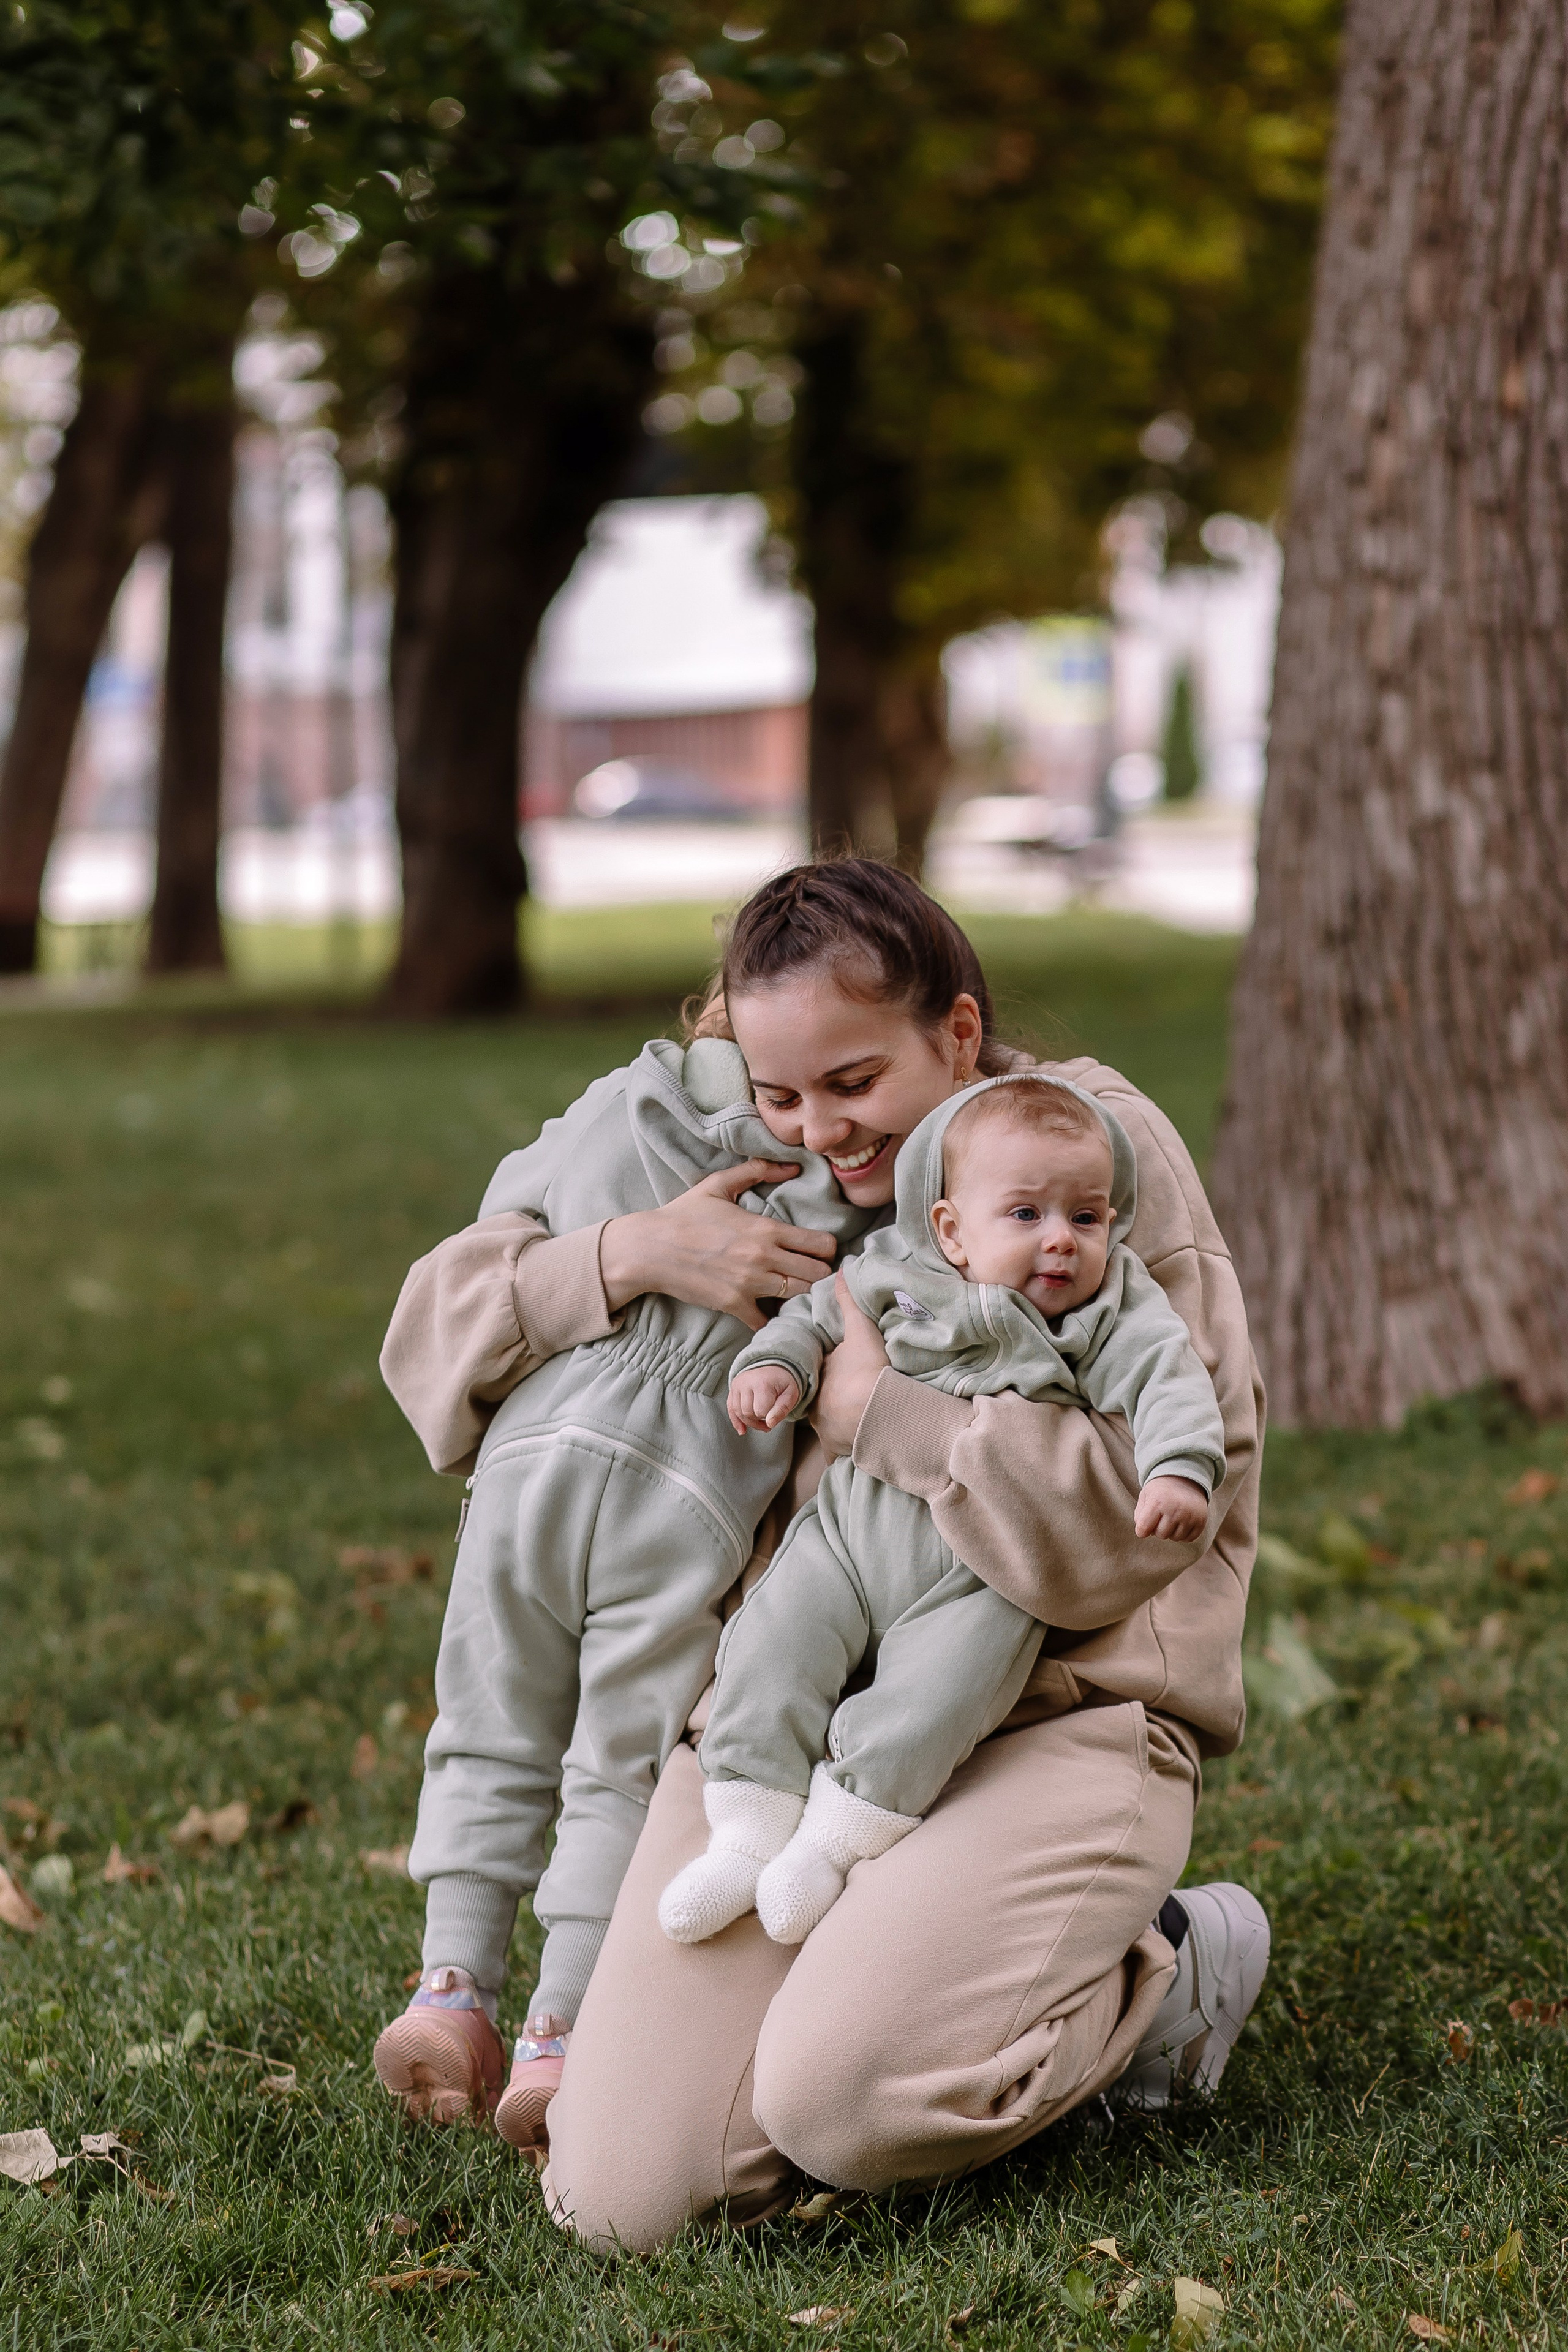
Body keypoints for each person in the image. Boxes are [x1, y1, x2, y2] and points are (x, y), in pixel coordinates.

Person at [382, 859, 1268, 2239]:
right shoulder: (734, 1153)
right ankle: (889, 1970)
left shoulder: (1075, 1158)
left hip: (1055, 1713)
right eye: (781, 1088)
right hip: (780, 1727)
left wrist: (877, 1413)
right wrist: (628, 1256)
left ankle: (1159, 1972)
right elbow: (427, 1338)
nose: (822, 1130)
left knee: (844, 2106)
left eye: (856, 1083)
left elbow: (1133, 1526)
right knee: (620, 2198)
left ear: (957, 1036)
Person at [372, 1033, 870, 2150]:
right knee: (618, 1766)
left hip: (533, 1456)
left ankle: (450, 1987)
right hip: (690, 1488)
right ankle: (558, 2027)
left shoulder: (617, 1103)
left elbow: (506, 1221)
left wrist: (612, 1246)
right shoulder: (852, 1161)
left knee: (488, 1720)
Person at [659, 1072, 1226, 1949]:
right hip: (856, 1530)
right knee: (777, 1640)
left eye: (1087, 1217)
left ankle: (836, 1836)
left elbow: (1167, 1379)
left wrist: (1177, 1471)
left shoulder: (1114, 1307)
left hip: (986, 1568)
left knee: (940, 1696)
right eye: (1027, 1215)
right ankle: (748, 1821)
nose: (1062, 1243)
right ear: (953, 1231)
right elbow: (811, 1320)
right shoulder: (897, 1271)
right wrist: (774, 1369)